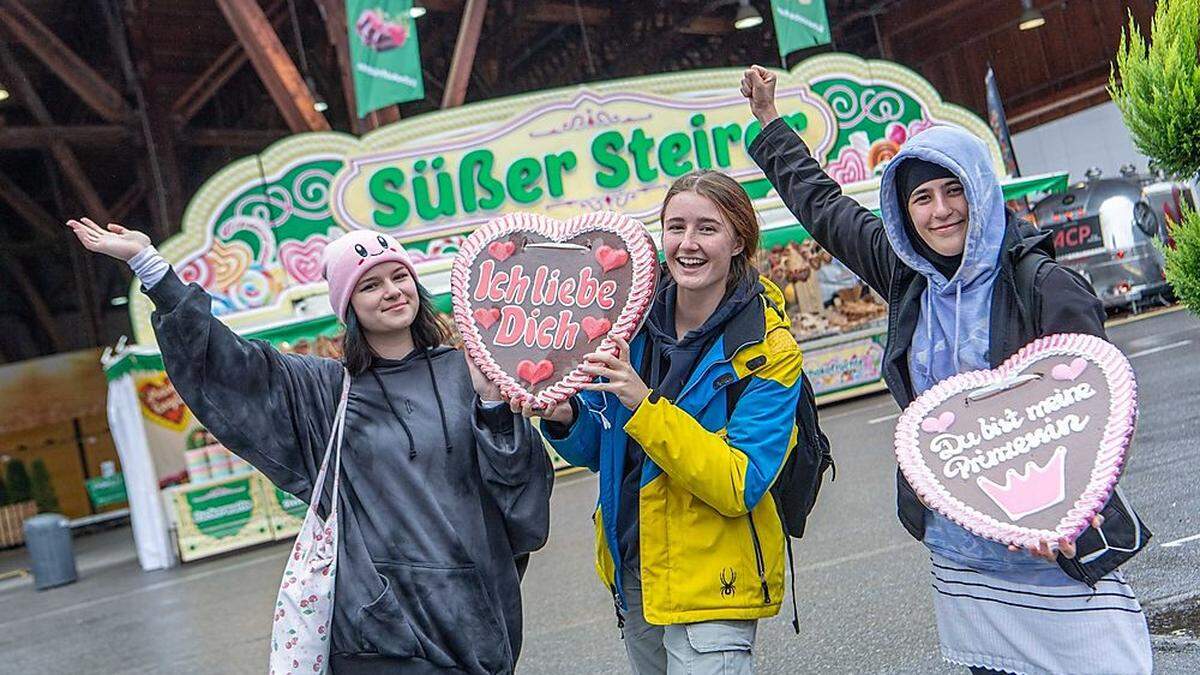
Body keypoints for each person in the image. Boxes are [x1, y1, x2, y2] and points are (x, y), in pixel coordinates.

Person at [740, 65, 1153, 674]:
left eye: (952, 190)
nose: (940, 212)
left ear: (980, 189)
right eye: (922, 198)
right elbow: (823, 206)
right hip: (963, 550)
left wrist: (1071, 511)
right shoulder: (909, 277)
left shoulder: (1043, 286)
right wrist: (771, 121)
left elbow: (1098, 408)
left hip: (1052, 544)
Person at [67, 218, 553, 675]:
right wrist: (151, 267)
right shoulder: (326, 391)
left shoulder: (469, 371)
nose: (390, 292)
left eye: (398, 276)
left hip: (479, 612)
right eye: (369, 284)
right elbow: (230, 365)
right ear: (348, 306)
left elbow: (520, 486)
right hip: (385, 628)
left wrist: (493, 409)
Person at [532, 170, 805, 674]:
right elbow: (605, 449)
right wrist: (567, 417)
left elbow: (737, 481)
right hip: (636, 567)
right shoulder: (629, 326)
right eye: (675, 227)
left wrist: (644, 405)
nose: (688, 244)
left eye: (707, 228)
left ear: (738, 239)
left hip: (712, 579)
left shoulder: (769, 350)